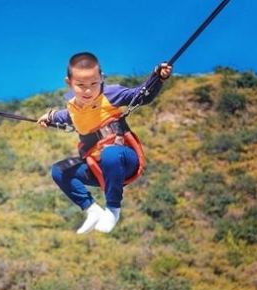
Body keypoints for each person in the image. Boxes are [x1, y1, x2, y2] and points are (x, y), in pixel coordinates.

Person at [38, 52, 172, 234]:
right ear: (69, 83)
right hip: (97, 166)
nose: (88, 90)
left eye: (94, 83)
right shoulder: (73, 108)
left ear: (101, 78)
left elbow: (141, 95)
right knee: (59, 171)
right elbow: (64, 116)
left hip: (123, 159)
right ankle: (92, 210)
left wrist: (157, 77)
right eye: (80, 85)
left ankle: (113, 209)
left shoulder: (110, 94)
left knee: (110, 154)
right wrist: (50, 117)